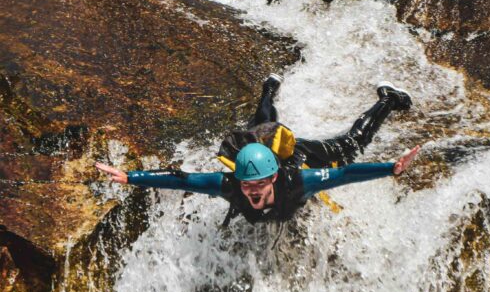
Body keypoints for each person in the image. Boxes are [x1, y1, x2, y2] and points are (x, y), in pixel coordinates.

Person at [96, 75, 420, 225]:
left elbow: (345, 174)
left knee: (351, 145)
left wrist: (389, 168)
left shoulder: (301, 180)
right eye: (247, 185)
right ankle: (269, 90)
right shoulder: (229, 184)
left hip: (305, 152)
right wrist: (129, 176)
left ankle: (388, 98)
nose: (251, 191)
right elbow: (181, 180)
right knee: (260, 126)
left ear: (274, 177)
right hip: (261, 148)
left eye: (258, 184)